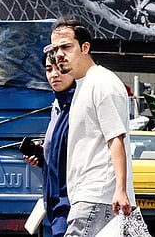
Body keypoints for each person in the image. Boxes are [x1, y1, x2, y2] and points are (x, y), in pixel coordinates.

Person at [47, 17, 134, 237]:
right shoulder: (82, 86)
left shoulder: (103, 83)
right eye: (56, 49)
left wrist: (121, 190)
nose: (59, 54)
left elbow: (116, 138)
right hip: (88, 196)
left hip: (98, 195)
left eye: (66, 47)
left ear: (85, 47)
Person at [24, 52, 76, 237]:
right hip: (55, 204)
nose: (54, 74)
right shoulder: (57, 108)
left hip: (74, 205)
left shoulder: (79, 106)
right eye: (49, 69)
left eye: (60, 68)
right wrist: (42, 158)